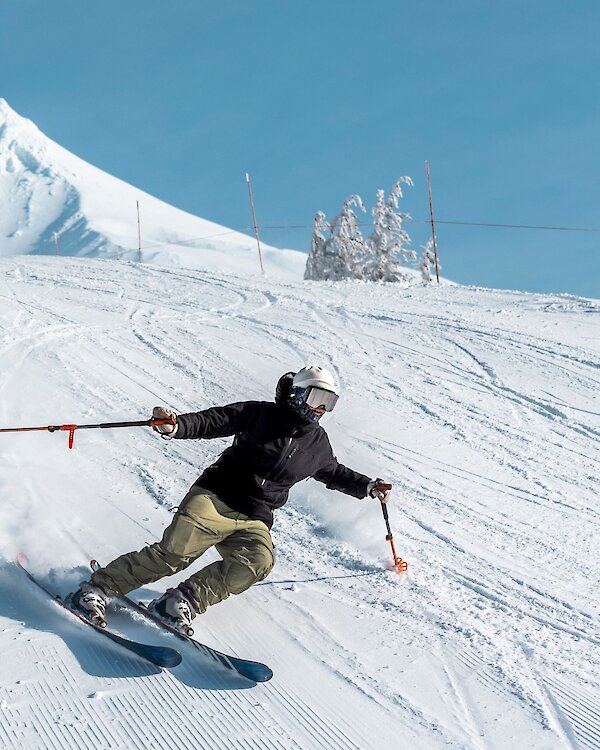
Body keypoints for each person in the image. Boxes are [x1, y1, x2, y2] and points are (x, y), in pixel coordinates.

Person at [69, 366, 392, 631]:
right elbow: (214, 421)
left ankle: (181, 601)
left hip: (254, 516)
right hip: (216, 496)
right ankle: (98, 588)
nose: (322, 408)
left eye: (330, 402)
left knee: (258, 562)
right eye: (318, 397)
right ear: (298, 394)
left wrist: (367, 487)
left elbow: (331, 471)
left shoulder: (317, 442)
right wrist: (176, 425)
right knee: (175, 553)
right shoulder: (260, 415)